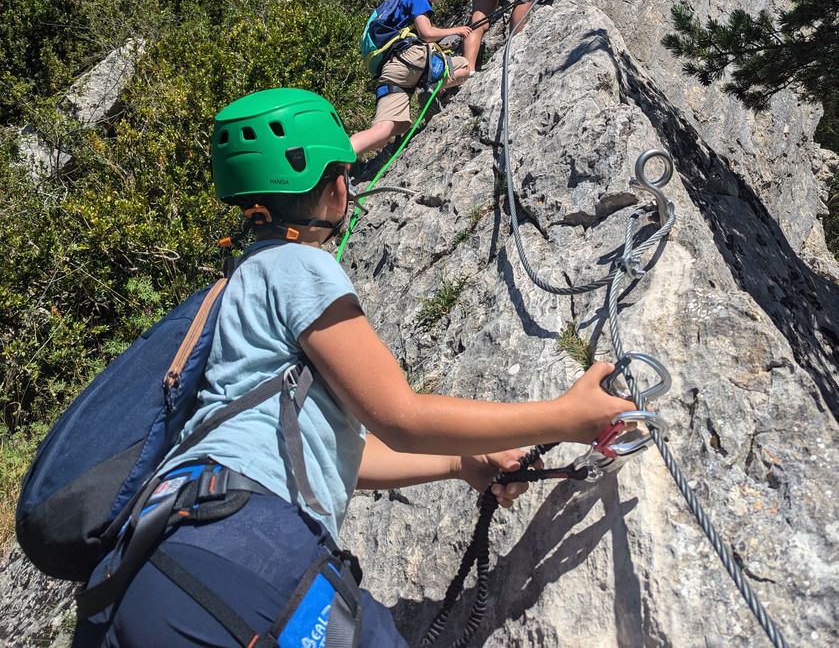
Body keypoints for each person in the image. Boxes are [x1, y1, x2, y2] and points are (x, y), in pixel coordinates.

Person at [73, 88, 635, 647]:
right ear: (335, 183)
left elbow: (331, 454)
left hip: (142, 569)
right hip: (242, 545)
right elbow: (400, 416)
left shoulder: (238, 285)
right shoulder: (299, 266)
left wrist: (459, 463)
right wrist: (566, 417)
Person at [350, 0, 472, 158]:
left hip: (392, 70)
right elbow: (426, 33)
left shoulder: (398, 2)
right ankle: (432, 85)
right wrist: (457, 30)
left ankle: (339, 158)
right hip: (413, 58)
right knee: (466, 67)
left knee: (385, 130)